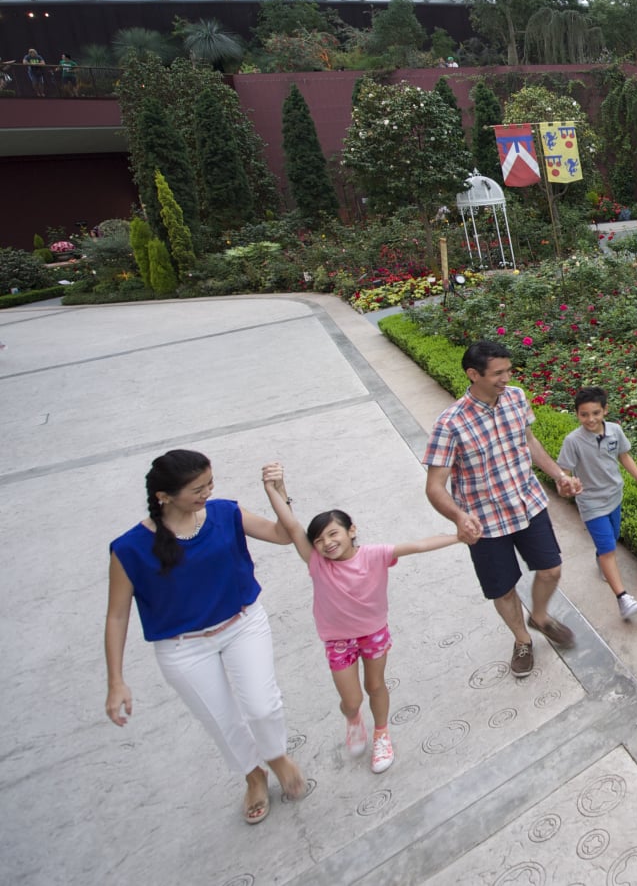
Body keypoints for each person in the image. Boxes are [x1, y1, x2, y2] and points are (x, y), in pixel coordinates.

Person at [104, 449, 307, 825]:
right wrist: (116, 680)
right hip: (183, 648)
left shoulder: (225, 513)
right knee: (221, 720)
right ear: (164, 495)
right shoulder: (129, 548)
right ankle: (253, 775)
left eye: (210, 483)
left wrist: (278, 491)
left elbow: (282, 535)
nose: (208, 492)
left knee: (263, 706)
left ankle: (278, 757)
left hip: (242, 623)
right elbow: (117, 616)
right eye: (197, 488)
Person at [259, 463, 460, 774]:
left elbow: (418, 545)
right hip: (338, 640)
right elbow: (291, 525)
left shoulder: (375, 554)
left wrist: (459, 537)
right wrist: (274, 490)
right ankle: (353, 719)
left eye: (333, 534)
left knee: (375, 685)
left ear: (351, 530)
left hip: (373, 633)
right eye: (319, 540)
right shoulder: (317, 564)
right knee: (351, 700)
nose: (326, 543)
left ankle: (381, 734)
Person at [423, 339, 583, 678]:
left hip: (527, 502)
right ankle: (522, 639)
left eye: (508, 370)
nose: (506, 378)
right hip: (484, 521)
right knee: (503, 588)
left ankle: (539, 617)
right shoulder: (449, 423)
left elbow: (529, 441)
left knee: (551, 569)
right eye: (498, 373)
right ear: (472, 374)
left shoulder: (516, 397)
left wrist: (558, 475)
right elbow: (434, 487)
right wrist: (459, 516)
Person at [557, 387, 637, 620]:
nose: (590, 419)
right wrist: (567, 486)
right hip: (591, 503)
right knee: (609, 550)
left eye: (596, 413)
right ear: (577, 414)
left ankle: (600, 558)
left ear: (605, 410)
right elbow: (564, 473)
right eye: (584, 414)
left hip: (614, 496)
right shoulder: (573, 441)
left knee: (612, 538)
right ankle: (623, 599)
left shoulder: (615, 431)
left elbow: (624, 456)